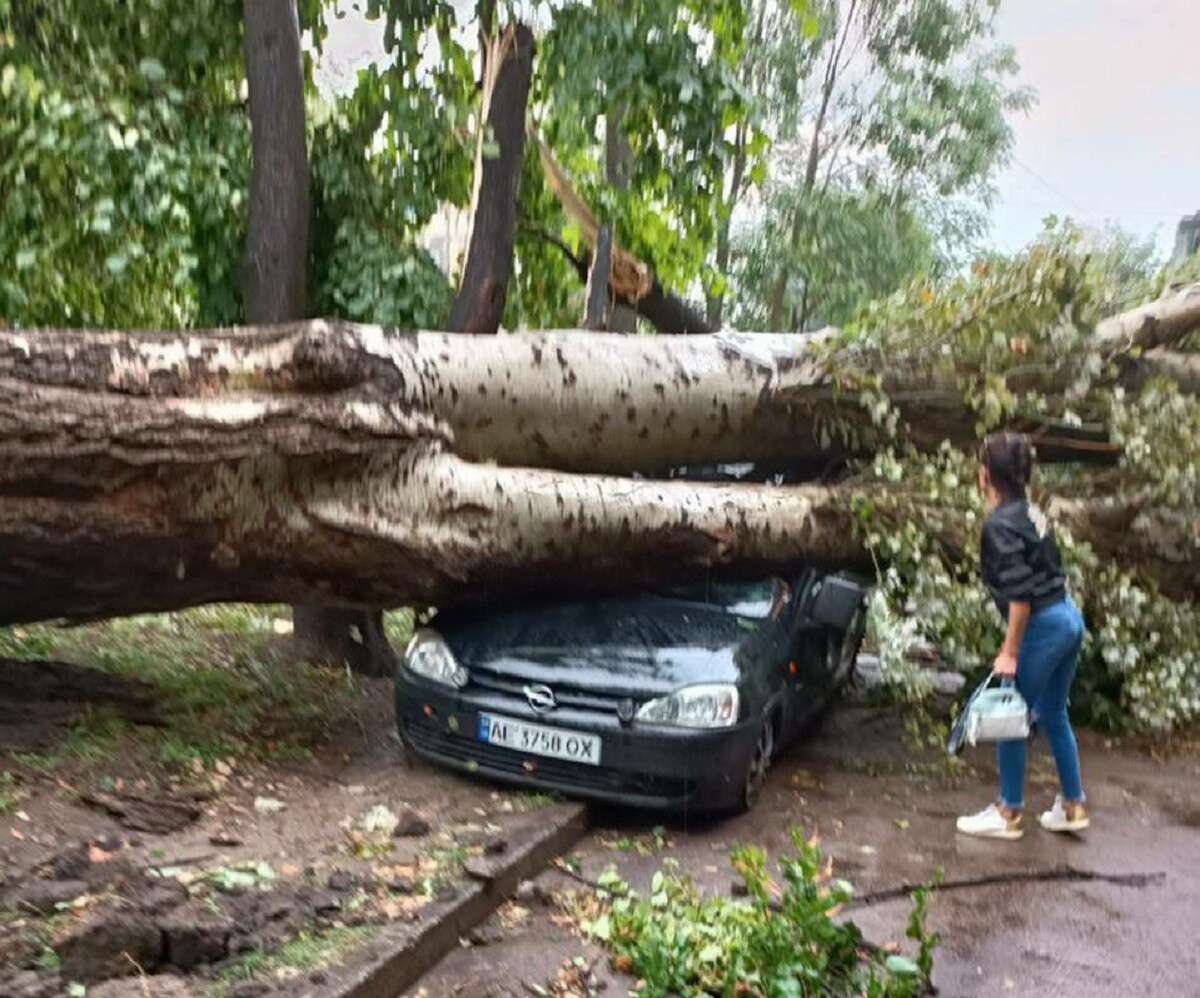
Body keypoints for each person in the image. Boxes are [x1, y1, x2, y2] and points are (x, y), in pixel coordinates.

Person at [956, 432, 1089, 840]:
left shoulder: (999, 524)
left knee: (1009, 715)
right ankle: (1072, 805)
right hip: (1069, 618)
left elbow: (1020, 596)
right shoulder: (1031, 512)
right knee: (1053, 712)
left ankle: (1008, 811)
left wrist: (1010, 652)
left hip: (1045, 625)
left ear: (985, 477)